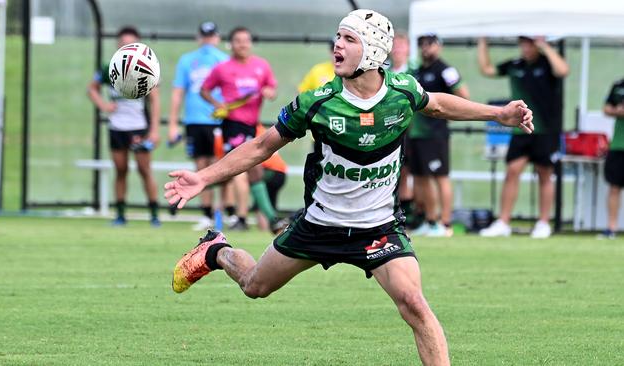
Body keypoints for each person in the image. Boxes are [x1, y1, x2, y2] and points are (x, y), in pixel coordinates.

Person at [166, 9, 533, 365]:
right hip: (320, 226)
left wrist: (499, 114)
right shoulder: (317, 103)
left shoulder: (402, 91)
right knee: (254, 286)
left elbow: (436, 105)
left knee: (415, 305)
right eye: (337, 37)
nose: (336, 45)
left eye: (348, 38)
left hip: (378, 229)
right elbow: (262, 147)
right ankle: (216, 251)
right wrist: (203, 177)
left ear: (373, 50)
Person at [477, 36, 569, 238]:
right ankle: (503, 222)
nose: (526, 48)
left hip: (546, 130)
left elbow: (563, 70)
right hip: (521, 129)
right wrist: (483, 42)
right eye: (523, 43)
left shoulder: (548, 63)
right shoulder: (515, 65)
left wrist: (545, 46)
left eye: (530, 43)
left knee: (545, 174)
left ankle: (543, 223)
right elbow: (487, 70)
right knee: (512, 171)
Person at [200, 26, 285, 233]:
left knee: (241, 172)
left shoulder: (261, 66)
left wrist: (269, 92)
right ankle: (249, 217)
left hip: (251, 126)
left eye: (246, 40)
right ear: (231, 44)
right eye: (238, 41)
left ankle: (198, 188)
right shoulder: (223, 68)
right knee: (248, 168)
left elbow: (272, 89)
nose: (243, 44)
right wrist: (217, 104)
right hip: (232, 125)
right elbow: (204, 90)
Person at [87, 26, 161, 227]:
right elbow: (91, 89)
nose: (125, 46)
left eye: (130, 43)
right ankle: (120, 214)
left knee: (144, 170)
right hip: (117, 127)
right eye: (122, 43)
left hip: (139, 127)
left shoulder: (146, 67)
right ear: (117, 45)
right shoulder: (109, 67)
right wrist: (103, 105)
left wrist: (154, 129)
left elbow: (155, 99)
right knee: (120, 170)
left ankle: (154, 214)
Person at [168, 21, 229, 230]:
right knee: (200, 167)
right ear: (198, 38)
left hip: (217, 122)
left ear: (218, 38)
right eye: (204, 36)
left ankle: (222, 211)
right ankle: (206, 213)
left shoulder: (223, 60)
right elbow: (178, 93)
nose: (208, 40)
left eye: (211, 36)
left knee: (220, 166)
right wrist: (173, 125)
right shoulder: (187, 61)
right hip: (194, 121)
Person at [410, 34, 470, 237]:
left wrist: (450, 113)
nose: (425, 48)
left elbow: (464, 96)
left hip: (435, 134)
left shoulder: (445, 70)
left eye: (430, 44)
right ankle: (430, 219)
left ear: (439, 46)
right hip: (417, 134)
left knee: (440, 176)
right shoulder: (417, 71)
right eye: (422, 44)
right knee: (422, 178)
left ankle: (445, 224)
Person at [389, 31, 421, 229]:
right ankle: (400, 212)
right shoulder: (386, 72)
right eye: (395, 46)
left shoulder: (415, 71)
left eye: (401, 46)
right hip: (392, 131)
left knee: (414, 172)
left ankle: (418, 213)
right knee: (398, 172)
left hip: (413, 131)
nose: (398, 50)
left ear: (408, 49)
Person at [601, 79, 624, 239]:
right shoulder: (618, 85)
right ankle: (611, 228)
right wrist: (617, 111)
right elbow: (606, 108)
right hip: (618, 145)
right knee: (614, 187)